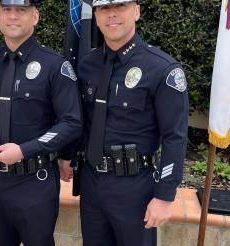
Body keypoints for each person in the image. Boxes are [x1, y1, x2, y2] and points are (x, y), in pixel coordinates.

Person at [71, 0, 189, 245]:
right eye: (103, 8)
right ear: (96, 14)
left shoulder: (162, 69)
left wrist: (165, 195)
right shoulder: (87, 64)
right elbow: (83, 122)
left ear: (136, 11)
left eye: (121, 5)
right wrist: (67, 156)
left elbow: (174, 137)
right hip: (92, 184)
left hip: (135, 188)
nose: (111, 13)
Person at [0, 0, 83, 245]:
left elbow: (71, 123)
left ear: (35, 16)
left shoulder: (55, 66)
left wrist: (24, 150)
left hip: (35, 181)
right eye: (6, 10)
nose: (13, 17)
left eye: (21, 10)